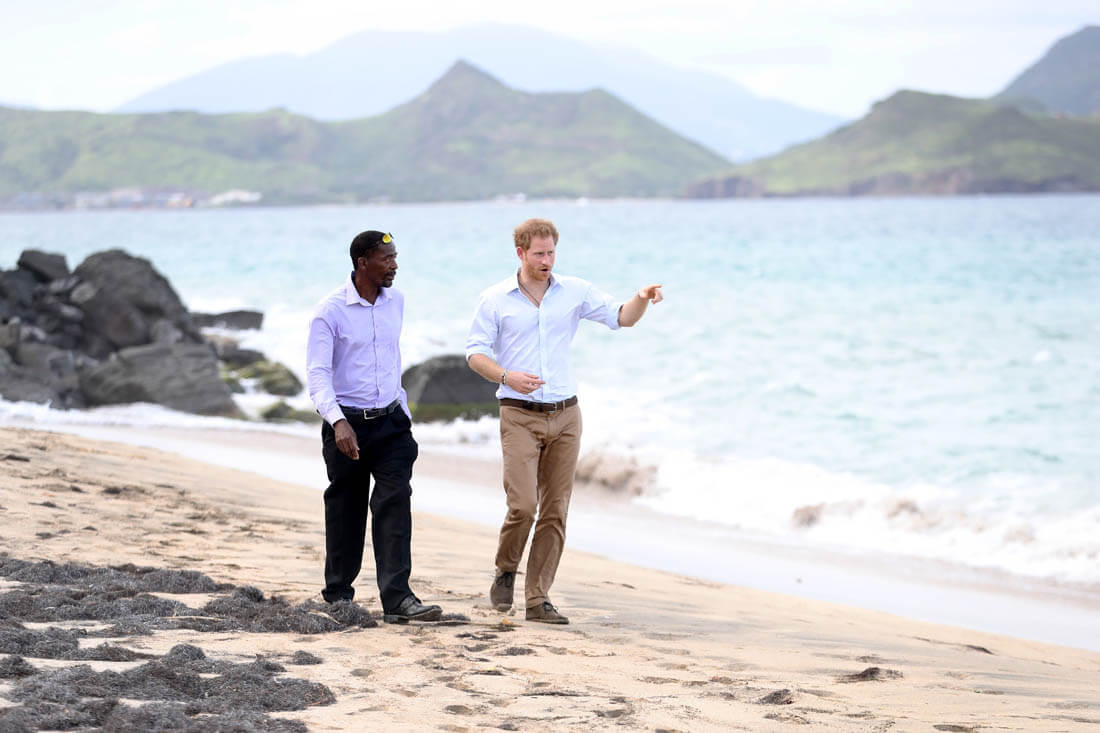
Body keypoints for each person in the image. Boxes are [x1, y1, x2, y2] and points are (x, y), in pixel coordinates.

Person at [466, 218, 663, 624]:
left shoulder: (574, 291)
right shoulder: (494, 299)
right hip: (518, 414)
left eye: (551, 252)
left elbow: (622, 317)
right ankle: (506, 569)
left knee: (555, 510)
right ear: (521, 253)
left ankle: (537, 599)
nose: (547, 260)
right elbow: (475, 354)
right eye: (539, 254)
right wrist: (506, 376)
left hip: (566, 415)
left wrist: (641, 297)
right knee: (523, 506)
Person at [306, 229, 442, 624]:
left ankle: (398, 600)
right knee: (346, 510)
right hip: (346, 425)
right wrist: (338, 422)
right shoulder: (329, 311)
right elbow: (317, 375)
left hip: (391, 424)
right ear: (362, 262)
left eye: (395, 257)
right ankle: (338, 596)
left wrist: (403, 414)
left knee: (395, 502)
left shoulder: (395, 302)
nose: (394, 265)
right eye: (387, 258)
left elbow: (390, 359)